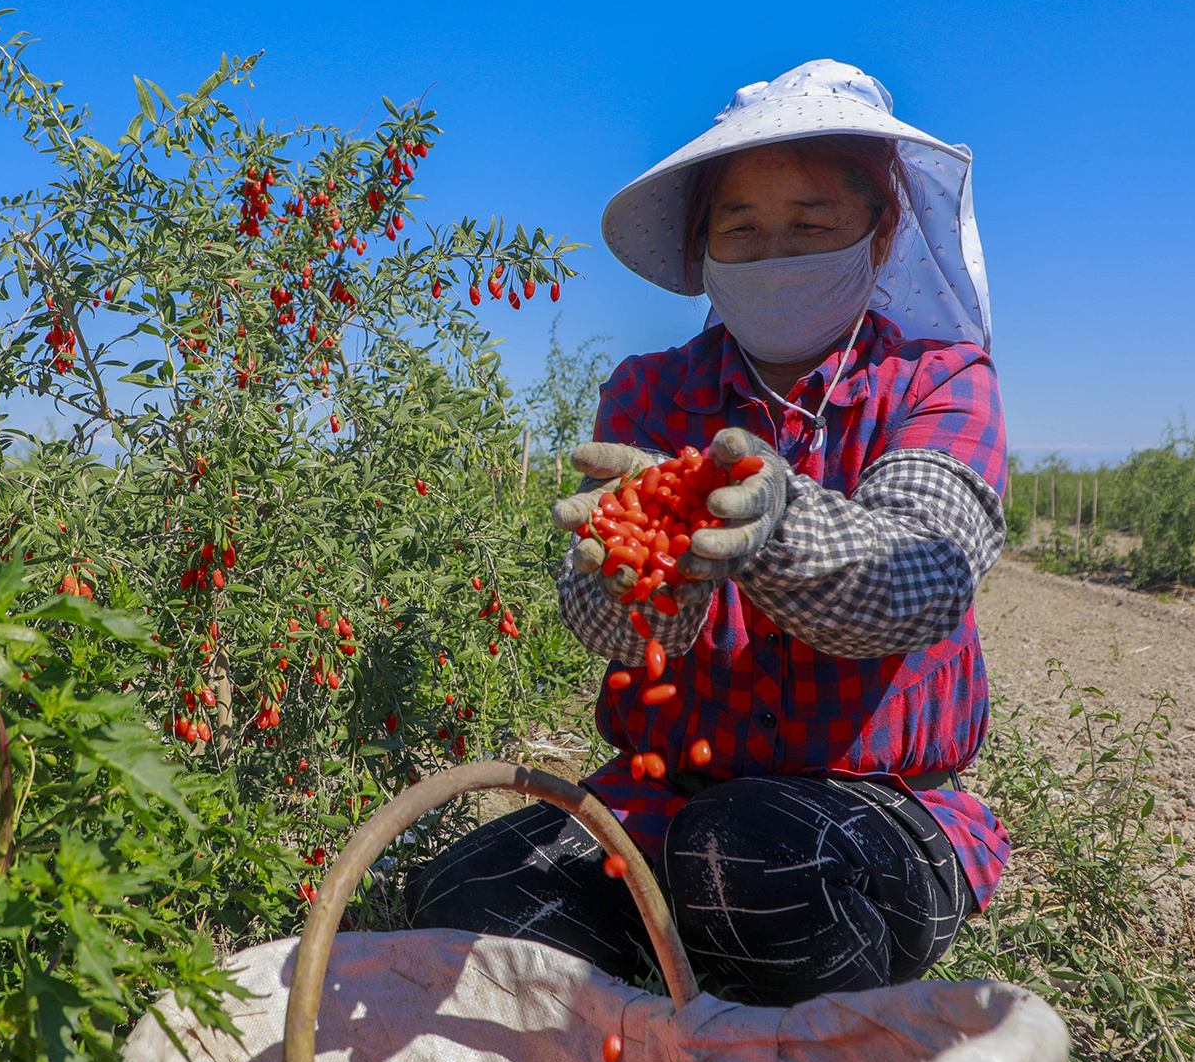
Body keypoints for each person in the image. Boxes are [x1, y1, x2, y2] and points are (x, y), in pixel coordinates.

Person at [407, 59, 1010, 1006]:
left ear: (880, 230)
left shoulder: (938, 380)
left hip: (873, 807)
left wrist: (779, 525)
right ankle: (650, 1043)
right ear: (702, 248)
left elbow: (924, 574)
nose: (775, 252)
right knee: (464, 898)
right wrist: (635, 573)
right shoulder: (653, 392)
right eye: (742, 226)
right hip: (672, 798)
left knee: (755, 865)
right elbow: (611, 626)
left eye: (810, 223)